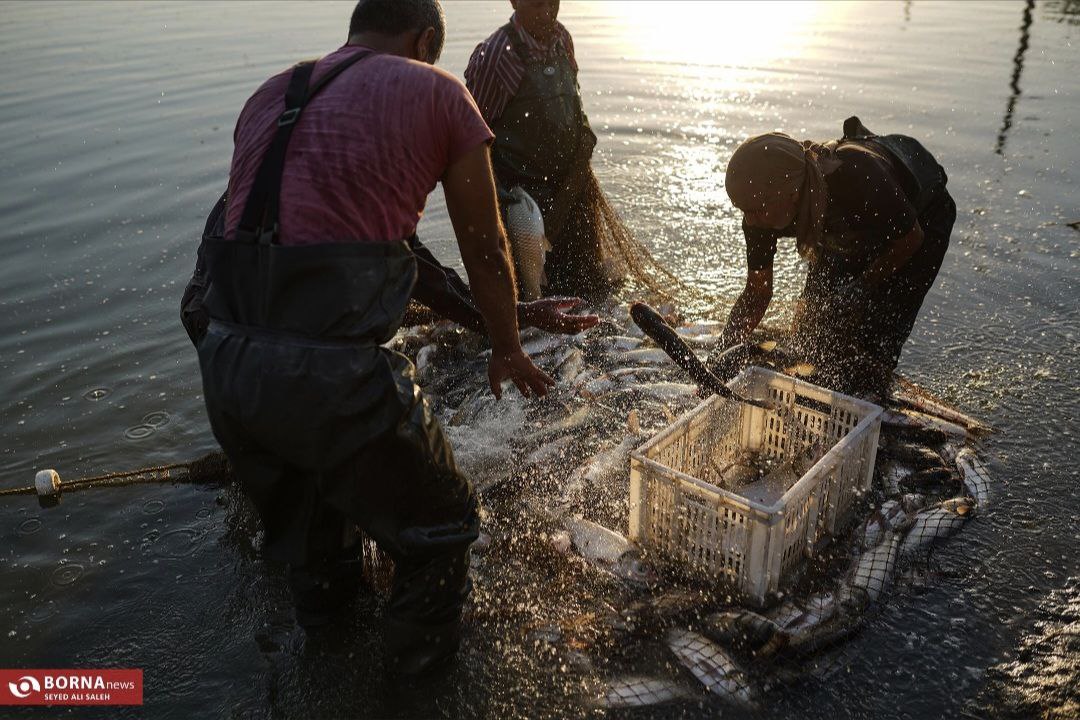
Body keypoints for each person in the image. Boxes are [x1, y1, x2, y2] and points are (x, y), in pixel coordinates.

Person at [189, 0, 596, 677]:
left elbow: (404, 263)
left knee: (318, 553)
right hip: (331, 377)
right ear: (427, 39)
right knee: (443, 527)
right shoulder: (438, 88)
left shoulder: (275, 96)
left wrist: (516, 318)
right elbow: (485, 244)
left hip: (228, 368)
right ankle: (415, 693)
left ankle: (329, 673)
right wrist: (505, 345)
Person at [713, 117, 955, 402]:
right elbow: (757, 292)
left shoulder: (856, 176)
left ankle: (869, 408)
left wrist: (862, 288)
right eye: (742, 210)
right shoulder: (759, 213)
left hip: (919, 220)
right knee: (809, 333)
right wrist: (721, 354)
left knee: (872, 346)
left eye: (755, 210)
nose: (749, 220)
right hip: (842, 226)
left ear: (790, 193)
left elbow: (910, 239)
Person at [465, 0, 611, 298]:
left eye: (552, 3)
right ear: (514, 1)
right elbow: (471, 138)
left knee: (585, 297)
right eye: (535, 5)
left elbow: (573, 109)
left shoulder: (562, 40)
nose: (546, 13)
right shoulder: (497, 55)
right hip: (522, 207)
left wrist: (584, 141)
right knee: (528, 300)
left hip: (570, 195)